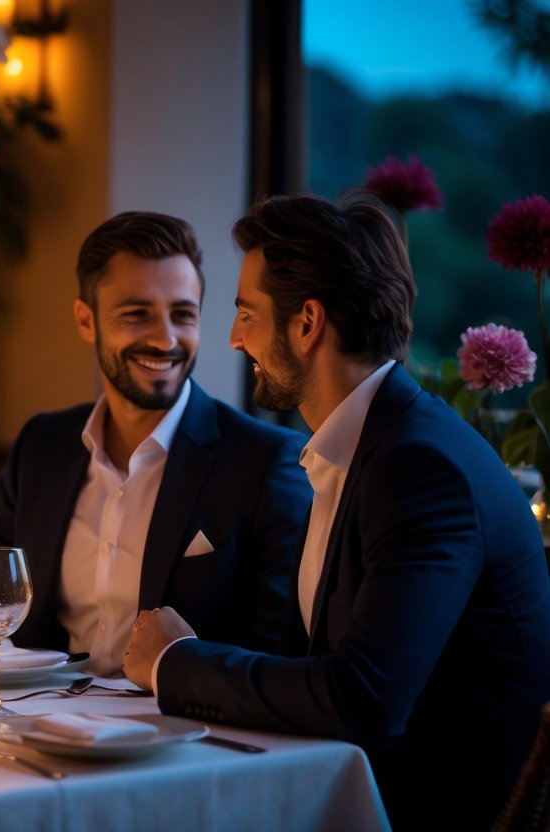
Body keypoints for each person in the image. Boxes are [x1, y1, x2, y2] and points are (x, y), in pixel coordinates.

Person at [123, 194, 550, 831]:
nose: (235, 339)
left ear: (307, 322)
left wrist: (175, 661)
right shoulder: (369, 446)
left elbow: (363, 699)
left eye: (246, 314)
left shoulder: (419, 467)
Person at [0, 211, 312, 675]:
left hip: (184, 737)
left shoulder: (264, 463)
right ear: (85, 320)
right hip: (35, 731)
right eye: (137, 314)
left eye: (183, 314)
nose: (165, 339)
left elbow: (276, 656)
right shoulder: (43, 446)